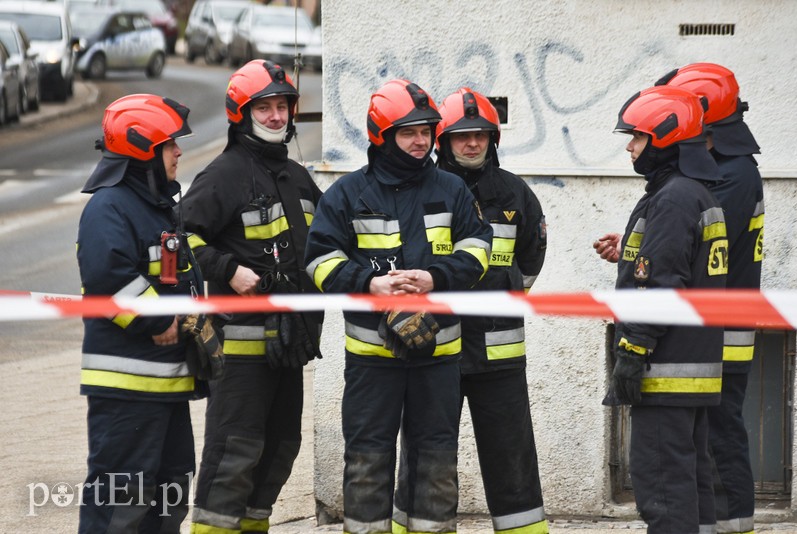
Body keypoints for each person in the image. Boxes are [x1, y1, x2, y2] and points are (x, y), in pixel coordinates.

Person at [304, 79, 492, 534]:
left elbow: (479, 247)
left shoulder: (452, 189)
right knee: (368, 460)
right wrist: (369, 283)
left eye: (427, 130)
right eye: (409, 131)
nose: (421, 140)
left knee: (436, 461)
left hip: (439, 357)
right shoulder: (348, 194)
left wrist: (436, 277)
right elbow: (318, 260)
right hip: (373, 361)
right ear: (382, 135)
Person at [180, 60, 323, 533]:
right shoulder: (224, 175)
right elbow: (176, 238)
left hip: (289, 345)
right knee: (232, 454)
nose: (277, 116)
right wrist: (227, 270)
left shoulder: (298, 177)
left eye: (282, 106)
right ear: (241, 113)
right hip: (240, 353)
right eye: (265, 107)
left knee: (281, 448)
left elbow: (325, 244)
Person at [402, 87, 549, 534]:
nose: (471, 143)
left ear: (493, 139)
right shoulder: (420, 192)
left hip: (498, 356)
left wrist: (501, 298)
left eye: (481, 135)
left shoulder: (515, 194)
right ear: (443, 140)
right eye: (462, 135)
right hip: (434, 350)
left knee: (512, 461)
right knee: (427, 458)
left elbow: (531, 259)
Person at [601, 85, 728, 533]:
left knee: (661, 488)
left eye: (635, 138)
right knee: (690, 482)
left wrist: (632, 351)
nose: (630, 147)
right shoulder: (696, 194)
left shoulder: (673, 198)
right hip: (691, 368)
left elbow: (659, 282)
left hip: (665, 369)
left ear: (664, 139)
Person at [76, 93, 202, 532]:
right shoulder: (108, 207)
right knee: (120, 505)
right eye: (170, 144)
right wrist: (160, 320)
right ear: (143, 151)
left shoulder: (154, 207)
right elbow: (107, 277)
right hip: (127, 393)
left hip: (166, 387)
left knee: (170, 495)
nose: (179, 152)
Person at [657, 62, 764, 534]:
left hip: (724, 331)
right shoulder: (727, 168)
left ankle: (733, 525)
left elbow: (703, 240)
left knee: (720, 434)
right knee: (708, 434)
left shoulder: (733, 176)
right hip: (711, 328)